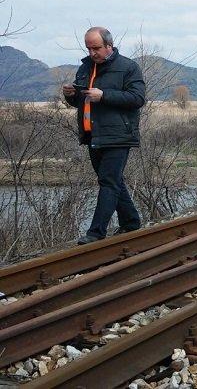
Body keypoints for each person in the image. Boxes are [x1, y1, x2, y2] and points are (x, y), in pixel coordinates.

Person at [62, 27, 146, 245]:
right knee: (114, 180)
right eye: (89, 48)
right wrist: (70, 96)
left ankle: (95, 233)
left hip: (118, 135)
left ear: (109, 45)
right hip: (92, 135)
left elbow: (137, 98)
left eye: (96, 48)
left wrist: (104, 95)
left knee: (107, 182)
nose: (92, 53)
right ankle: (131, 222)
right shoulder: (85, 68)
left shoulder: (128, 67)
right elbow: (82, 102)